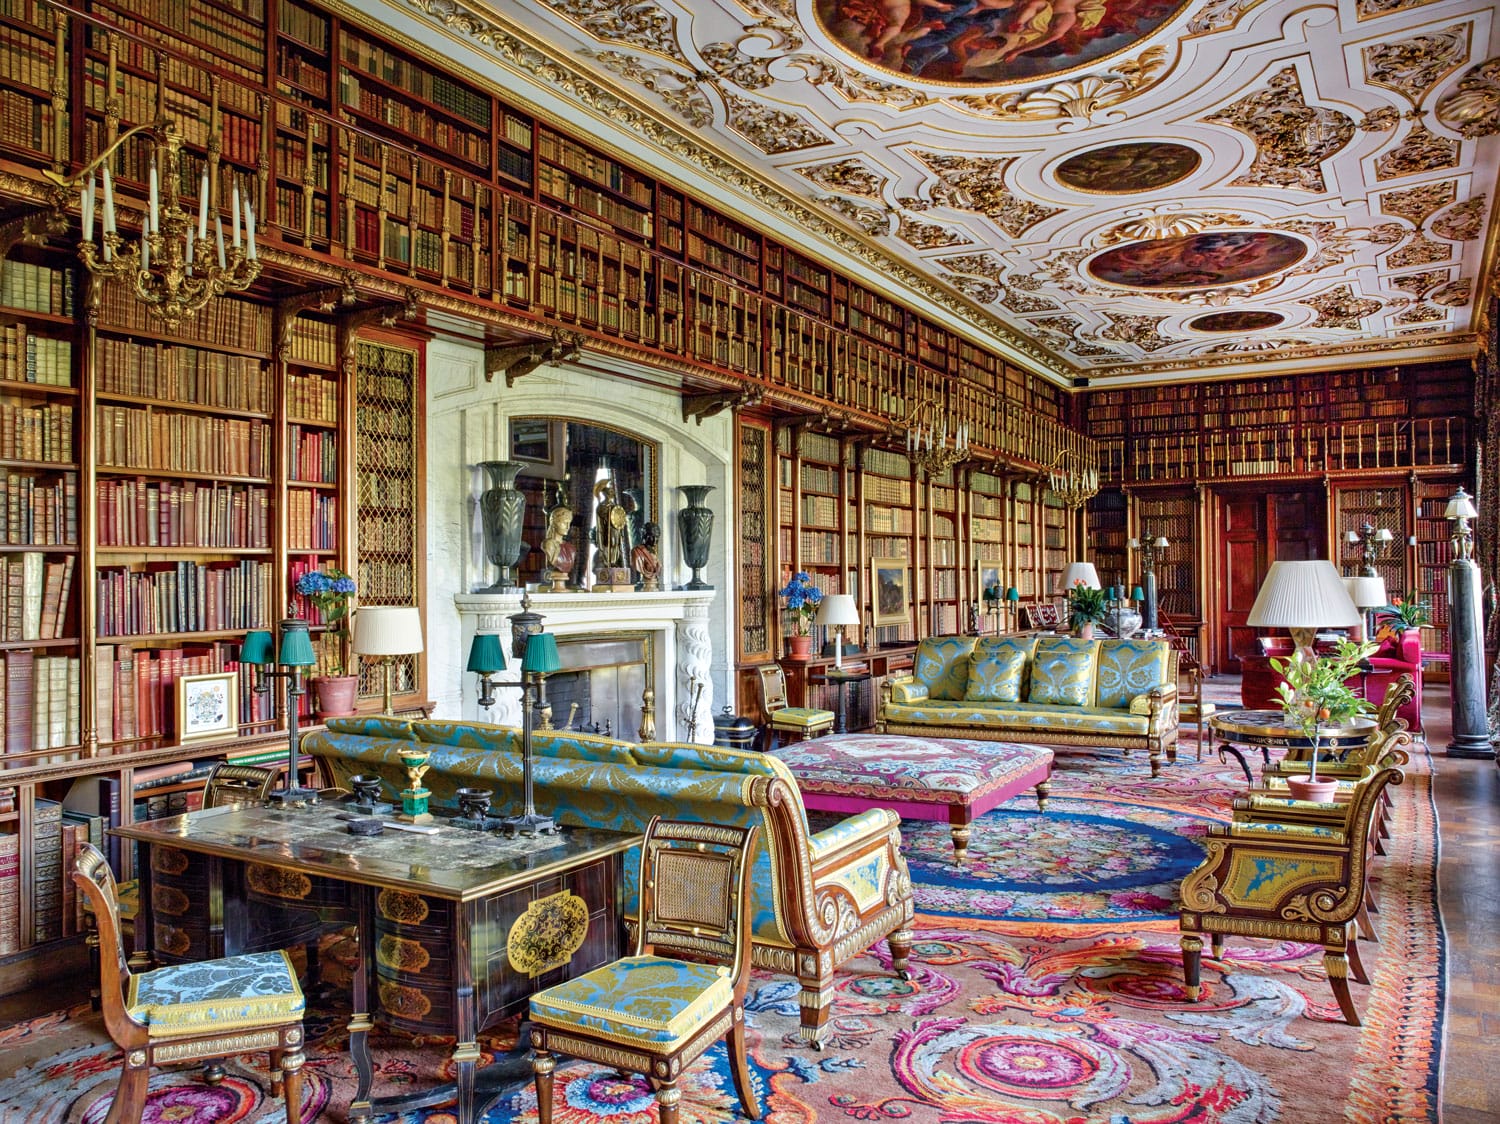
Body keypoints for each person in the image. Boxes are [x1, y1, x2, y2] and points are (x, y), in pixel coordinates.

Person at [633, 522, 662, 591]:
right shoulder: (637, 552)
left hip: (653, 586)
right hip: (645, 586)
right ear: (645, 536)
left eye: (657, 537)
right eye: (652, 537)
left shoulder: (654, 553)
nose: (655, 540)